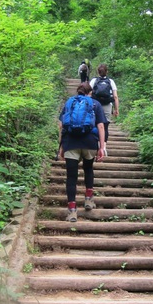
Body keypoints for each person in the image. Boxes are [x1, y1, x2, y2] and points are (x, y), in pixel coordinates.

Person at [58, 82, 106, 222]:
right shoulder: (95, 104)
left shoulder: (69, 103)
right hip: (90, 142)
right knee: (88, 169)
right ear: (89, 92)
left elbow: (61, 125)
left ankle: (72, 211)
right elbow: (101, 126)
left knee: (71, 177)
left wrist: (62, 146)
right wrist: (101, 147)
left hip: (71, 143)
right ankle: (88, 200)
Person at [90, 64, 119, 144]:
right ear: (107, 71)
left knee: (95, 124)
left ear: (98, 72)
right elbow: (115, 97)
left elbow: (88, 94)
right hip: (107, 105)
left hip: (95, 105)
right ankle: (104, 147)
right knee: (105, 126)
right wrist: (116, 110)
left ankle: (96, 144)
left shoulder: (94, 81)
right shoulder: (111, 81)